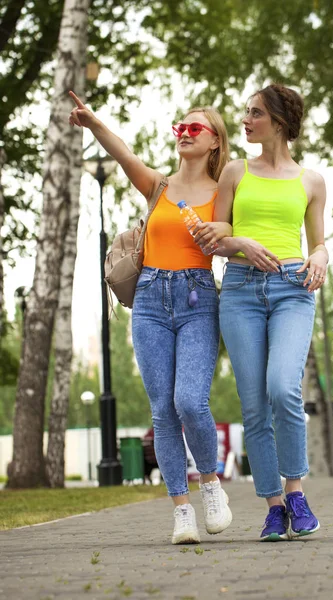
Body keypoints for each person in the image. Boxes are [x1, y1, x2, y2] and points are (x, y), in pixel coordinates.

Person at [69, 91, 233, 545]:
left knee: (190, 401)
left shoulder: (224, 193)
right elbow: (121, 151)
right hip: (150, 300)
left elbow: (236, 240)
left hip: (199, 299)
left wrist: (220, 236)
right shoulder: (159, 186)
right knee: (162, 410)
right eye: (180, 127)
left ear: (215, 141)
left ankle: (211, 484)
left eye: (193, 128)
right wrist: (92, 121)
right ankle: (182, 511)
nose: (183, 133)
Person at [195, 83, 328, 541]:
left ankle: (296, 492)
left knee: (282, 388)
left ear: (280, 121)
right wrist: (241, 243)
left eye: (254, 113)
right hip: (240, 291)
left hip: (293, 288)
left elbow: (319, 242)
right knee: (253, 404)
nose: (246, 121)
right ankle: (274, 507)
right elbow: (216, 235)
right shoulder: (234, 171)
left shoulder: (311, 181)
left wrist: (323, 257)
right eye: (246, 112)